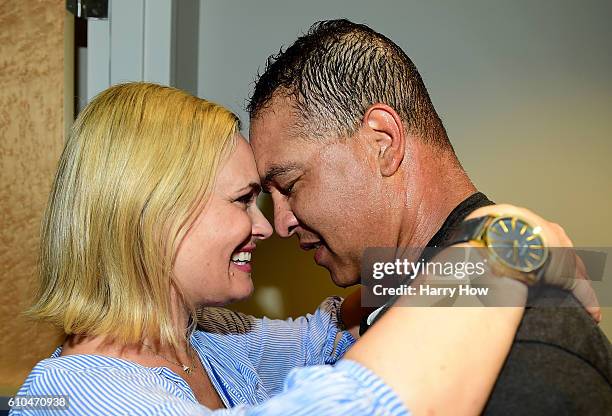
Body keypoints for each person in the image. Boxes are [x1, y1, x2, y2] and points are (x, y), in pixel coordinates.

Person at [10, 82, 587, 415]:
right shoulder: (75, 395)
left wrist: (550, 263)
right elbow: (351, 403)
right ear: (152, 215)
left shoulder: (209, 345)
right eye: (243, 200)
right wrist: (504, 244)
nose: (266, 228)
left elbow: (331, 328)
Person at [248, 19, 612, 414]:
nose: (279, 223)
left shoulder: (516, 341)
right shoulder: (412, 288)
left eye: (289, 184)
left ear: (382, 143)